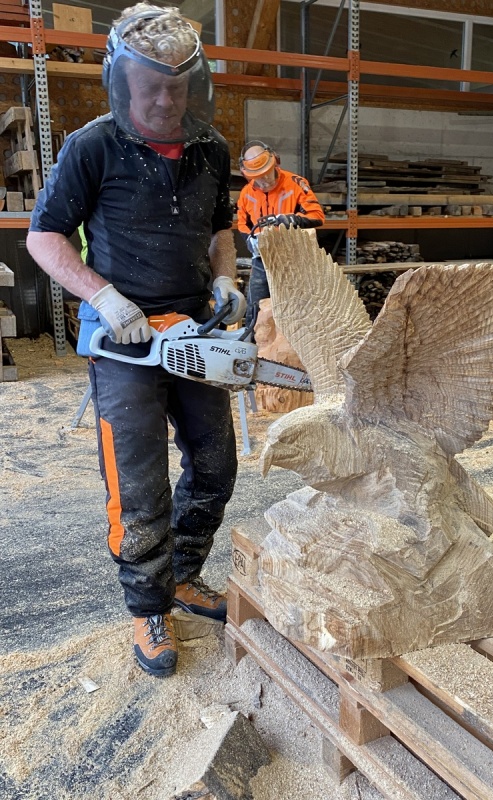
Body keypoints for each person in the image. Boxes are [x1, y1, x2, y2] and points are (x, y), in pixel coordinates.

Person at [26, 3, 246, 679]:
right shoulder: (92, 146)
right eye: (150, 88)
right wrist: (103, 297)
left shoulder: (211, 148)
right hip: (123, 341)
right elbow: (44, 237)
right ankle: (148, 607)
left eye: (177, 88)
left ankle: (183, 574)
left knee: (216, 465)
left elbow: (219, 228)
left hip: (193, 331)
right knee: (139, 486)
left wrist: (226, 278)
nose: (165, 101)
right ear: (122, 82)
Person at [236, 141, 325, 321]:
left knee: (297, 311)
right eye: (258, 177)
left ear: (275, 163)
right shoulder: (247, 193)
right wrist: (250, 240)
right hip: (263, 258)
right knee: (256, 310)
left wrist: (290, 220)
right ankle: (255, 336)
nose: (264, 180)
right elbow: (242, 224)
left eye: (266, 173)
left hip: (294, 258)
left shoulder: (295, 184)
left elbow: (317, 216)